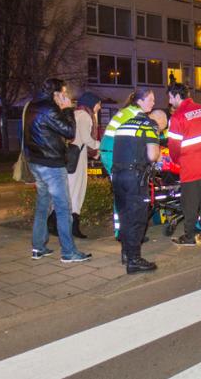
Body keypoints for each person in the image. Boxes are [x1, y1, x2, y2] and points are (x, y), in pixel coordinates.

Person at [24, 78, 91, 263]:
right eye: (63, 92)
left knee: (43, 206)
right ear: (56, 93)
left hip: (36, 162)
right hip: (52, 164)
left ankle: (38, 247)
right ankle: (68, 252)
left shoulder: (32, 106)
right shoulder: (50, 108)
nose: (65, 95)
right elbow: (69, 132)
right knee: (64, 209)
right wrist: (68, 110)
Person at [166, 83, 201, 246]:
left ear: (177, 96)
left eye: (170, 97)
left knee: (189, 203)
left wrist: (176, 160)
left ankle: (189, 237)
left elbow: (174, 146)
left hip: (191, 166)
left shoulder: (177, 116)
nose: (169, 101)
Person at [111, 93, 159, 274]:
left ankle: (126, 253)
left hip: (117, 175)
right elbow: (153, 155)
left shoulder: (123, 125)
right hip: (135, 177)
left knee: (124, 215)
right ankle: (134, 260)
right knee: (137, 219)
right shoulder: (149, 125)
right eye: (151, 99)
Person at [99, 88, 152, 239]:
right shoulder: (136, 114)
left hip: (109, 152)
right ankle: (126, 232)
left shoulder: (127, 111)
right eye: (150, 100)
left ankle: (122, 231)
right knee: (127, 195)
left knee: (121, 193)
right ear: (140, 101)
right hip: (114, 154)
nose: (153, 103)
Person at [64, 91, 102, 239]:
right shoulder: (85, 116)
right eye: (98, 104)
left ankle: (65, 225)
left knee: (71, 191)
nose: (99, 107)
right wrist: (101, 145)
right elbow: (87, 139)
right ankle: (73, 227)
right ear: (92, 103)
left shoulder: (76, 114)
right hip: (77, 160)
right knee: (77, 192)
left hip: (73, 157)